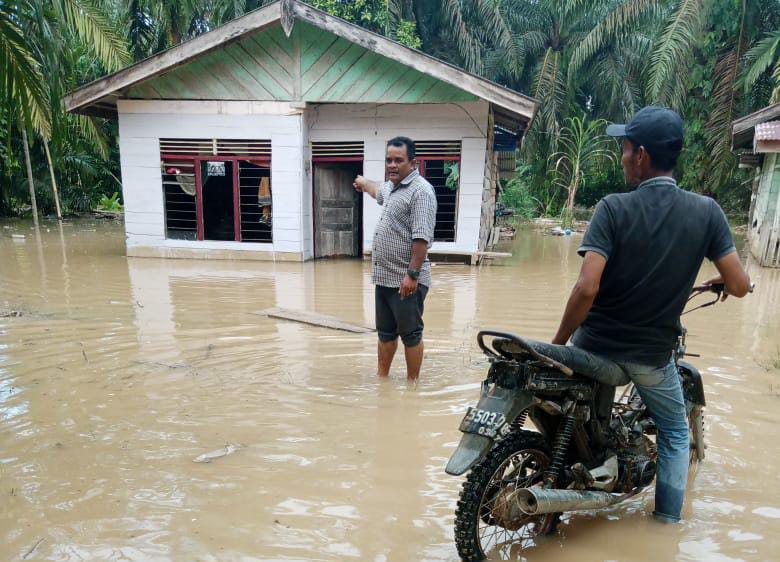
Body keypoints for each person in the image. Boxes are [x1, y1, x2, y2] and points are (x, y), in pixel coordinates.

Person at [531, 106, 751, 523]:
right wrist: (726, 283)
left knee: (582, 414)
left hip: (594, 348)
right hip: (650, 358)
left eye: (626, 149)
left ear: (643, 156)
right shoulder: (707, 214)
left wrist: (556, 344)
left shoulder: (612, 209)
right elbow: (739, 285)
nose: (623, 157)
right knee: (673, 432)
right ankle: (666, 524)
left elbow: (586, 288)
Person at [353, 137, 437, 381]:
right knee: (386, 333)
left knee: (410, 334)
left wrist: (412, 276)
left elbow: (421, 239)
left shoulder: (421, 192)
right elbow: (377, 190)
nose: (392, 165)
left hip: (406, 280)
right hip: (384, 277)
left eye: (398, 160)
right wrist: (363, 182)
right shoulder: (392, 187)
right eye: (388, 160)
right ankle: (382, 379)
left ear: (413, 163)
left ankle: (412, 385)